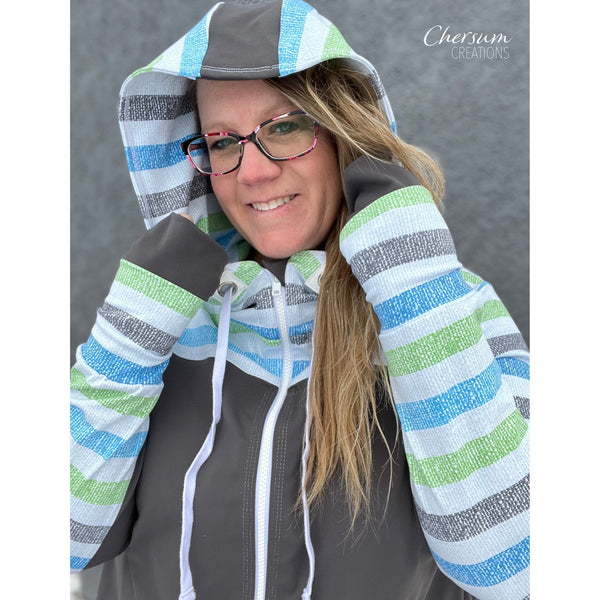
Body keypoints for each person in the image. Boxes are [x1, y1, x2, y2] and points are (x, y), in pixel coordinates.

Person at [70, 1, 530, 599]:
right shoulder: (164, 324)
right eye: (222, 142)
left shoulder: (448, 305)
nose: (252, 173)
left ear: (344, 133)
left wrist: (412, 285)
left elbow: (514, 567)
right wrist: (129, 338)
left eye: (284, 127)